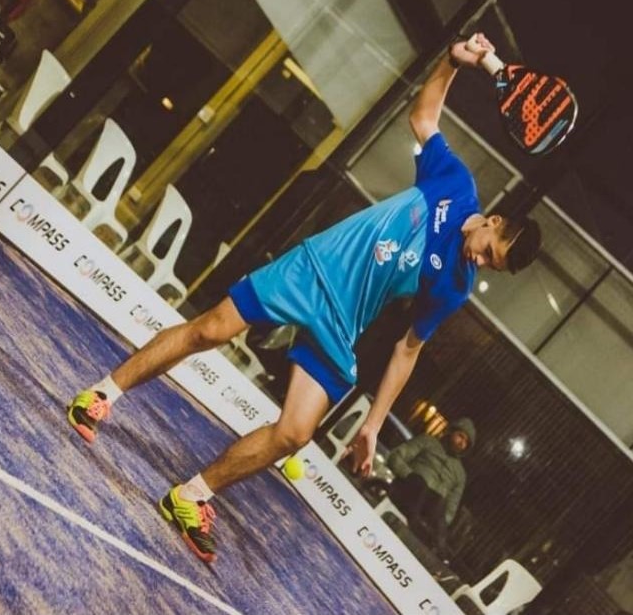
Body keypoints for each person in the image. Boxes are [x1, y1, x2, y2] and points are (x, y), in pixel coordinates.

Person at [66, 33, 541, 564]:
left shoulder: (454, 286)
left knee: (294, 433)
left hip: (343, 323)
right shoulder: (454, 184)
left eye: (493, 266)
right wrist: (451, 62)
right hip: (313, 271)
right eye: (490, 251)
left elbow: (408, 349)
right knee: (209, 330)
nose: (483, 262)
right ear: (492, 222)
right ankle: (100, 395)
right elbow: (424, 118)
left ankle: (191, 497)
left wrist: (373, 424)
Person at [385, 418, 476, 554]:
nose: (461, 443)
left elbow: (450, 509)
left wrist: (442, 522)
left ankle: (437, 552)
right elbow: (396, 456)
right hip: (407, 492)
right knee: (420, 485)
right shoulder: (428, 442)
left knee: (439, 506)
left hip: (430, 513)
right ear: (451, 432)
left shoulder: (460, 474)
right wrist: (409, 475)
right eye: (460, 436)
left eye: (466, 442)